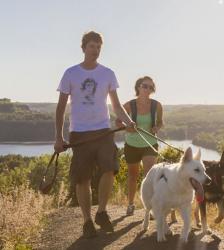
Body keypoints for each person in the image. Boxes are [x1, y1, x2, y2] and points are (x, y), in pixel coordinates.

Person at [54, 31, 135, 238]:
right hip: (79, 133)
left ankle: (101, 212)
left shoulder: (107, 73)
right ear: (83, 48)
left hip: (103, 130)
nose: (96, 50)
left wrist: (128, 121)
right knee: (83, 179)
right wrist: (58, 136)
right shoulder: (70, 73)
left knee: (110, 169)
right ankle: (87, 221)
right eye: (92, 46)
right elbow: (61, 108)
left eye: (99, 47)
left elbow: (116, 105)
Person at [116, 76, 163, 216]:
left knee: (149, 175)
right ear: (138, 87)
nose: (147, 89)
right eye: (145, 86)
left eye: (150, 87)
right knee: (133, 175)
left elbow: (161, 122)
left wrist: (156, 128)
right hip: (132, 144)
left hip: (150, 143)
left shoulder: (157, 105)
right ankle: (131, 204)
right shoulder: (129, 105)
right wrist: (126, 128)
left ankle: (151, 208)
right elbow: (118, 122)